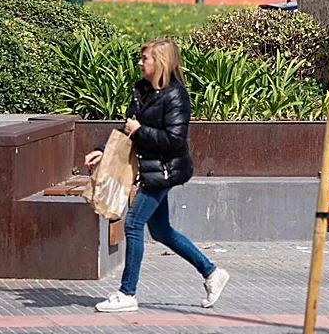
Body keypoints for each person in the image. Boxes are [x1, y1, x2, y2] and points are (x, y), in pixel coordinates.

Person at [85, 39, 230, 314]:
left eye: (145, 59)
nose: (140, 63)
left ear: (160, 63)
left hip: (164, 171)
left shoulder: (176, 96)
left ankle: (127, 293)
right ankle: (212, 273)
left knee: (133, 225)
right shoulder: (143, 91)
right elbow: (128, 128)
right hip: (151, 168)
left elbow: (175, 140)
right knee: (161, 231)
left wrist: (140, 131)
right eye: (141, 58)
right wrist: (102, 151)